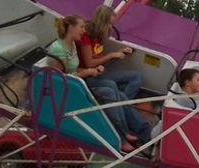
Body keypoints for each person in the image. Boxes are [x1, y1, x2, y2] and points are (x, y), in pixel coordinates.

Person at [46, 15, 147, 152]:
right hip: (70, 91)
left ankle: (124, 131)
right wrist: (88, 72)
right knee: (110, 93)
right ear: (71, 28)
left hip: (79, 83)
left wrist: (91, 70)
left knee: (114, 90)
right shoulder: (59, 49)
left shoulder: (71, 45)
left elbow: (75, 69)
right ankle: (121, 137)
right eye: (81, 27)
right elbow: (63, 79)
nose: (83, 30)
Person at [79, 5, 141, 99]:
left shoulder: (99, 35)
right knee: (112, 85)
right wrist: (111, 55)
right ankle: (123, 103)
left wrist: (118, 52)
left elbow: (98, 56)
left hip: (100, 72)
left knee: (136, 76)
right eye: (109, 24)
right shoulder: (86, 35)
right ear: (101, 23)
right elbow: (89, 64)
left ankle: (122, 102)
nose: (110, 28)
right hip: (90, 76)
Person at [150, 68, 199, 140]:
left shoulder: (185, 96)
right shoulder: (184, 100)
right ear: (188, 83)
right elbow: (198, 116)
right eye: (198, 80)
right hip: (159, 136)